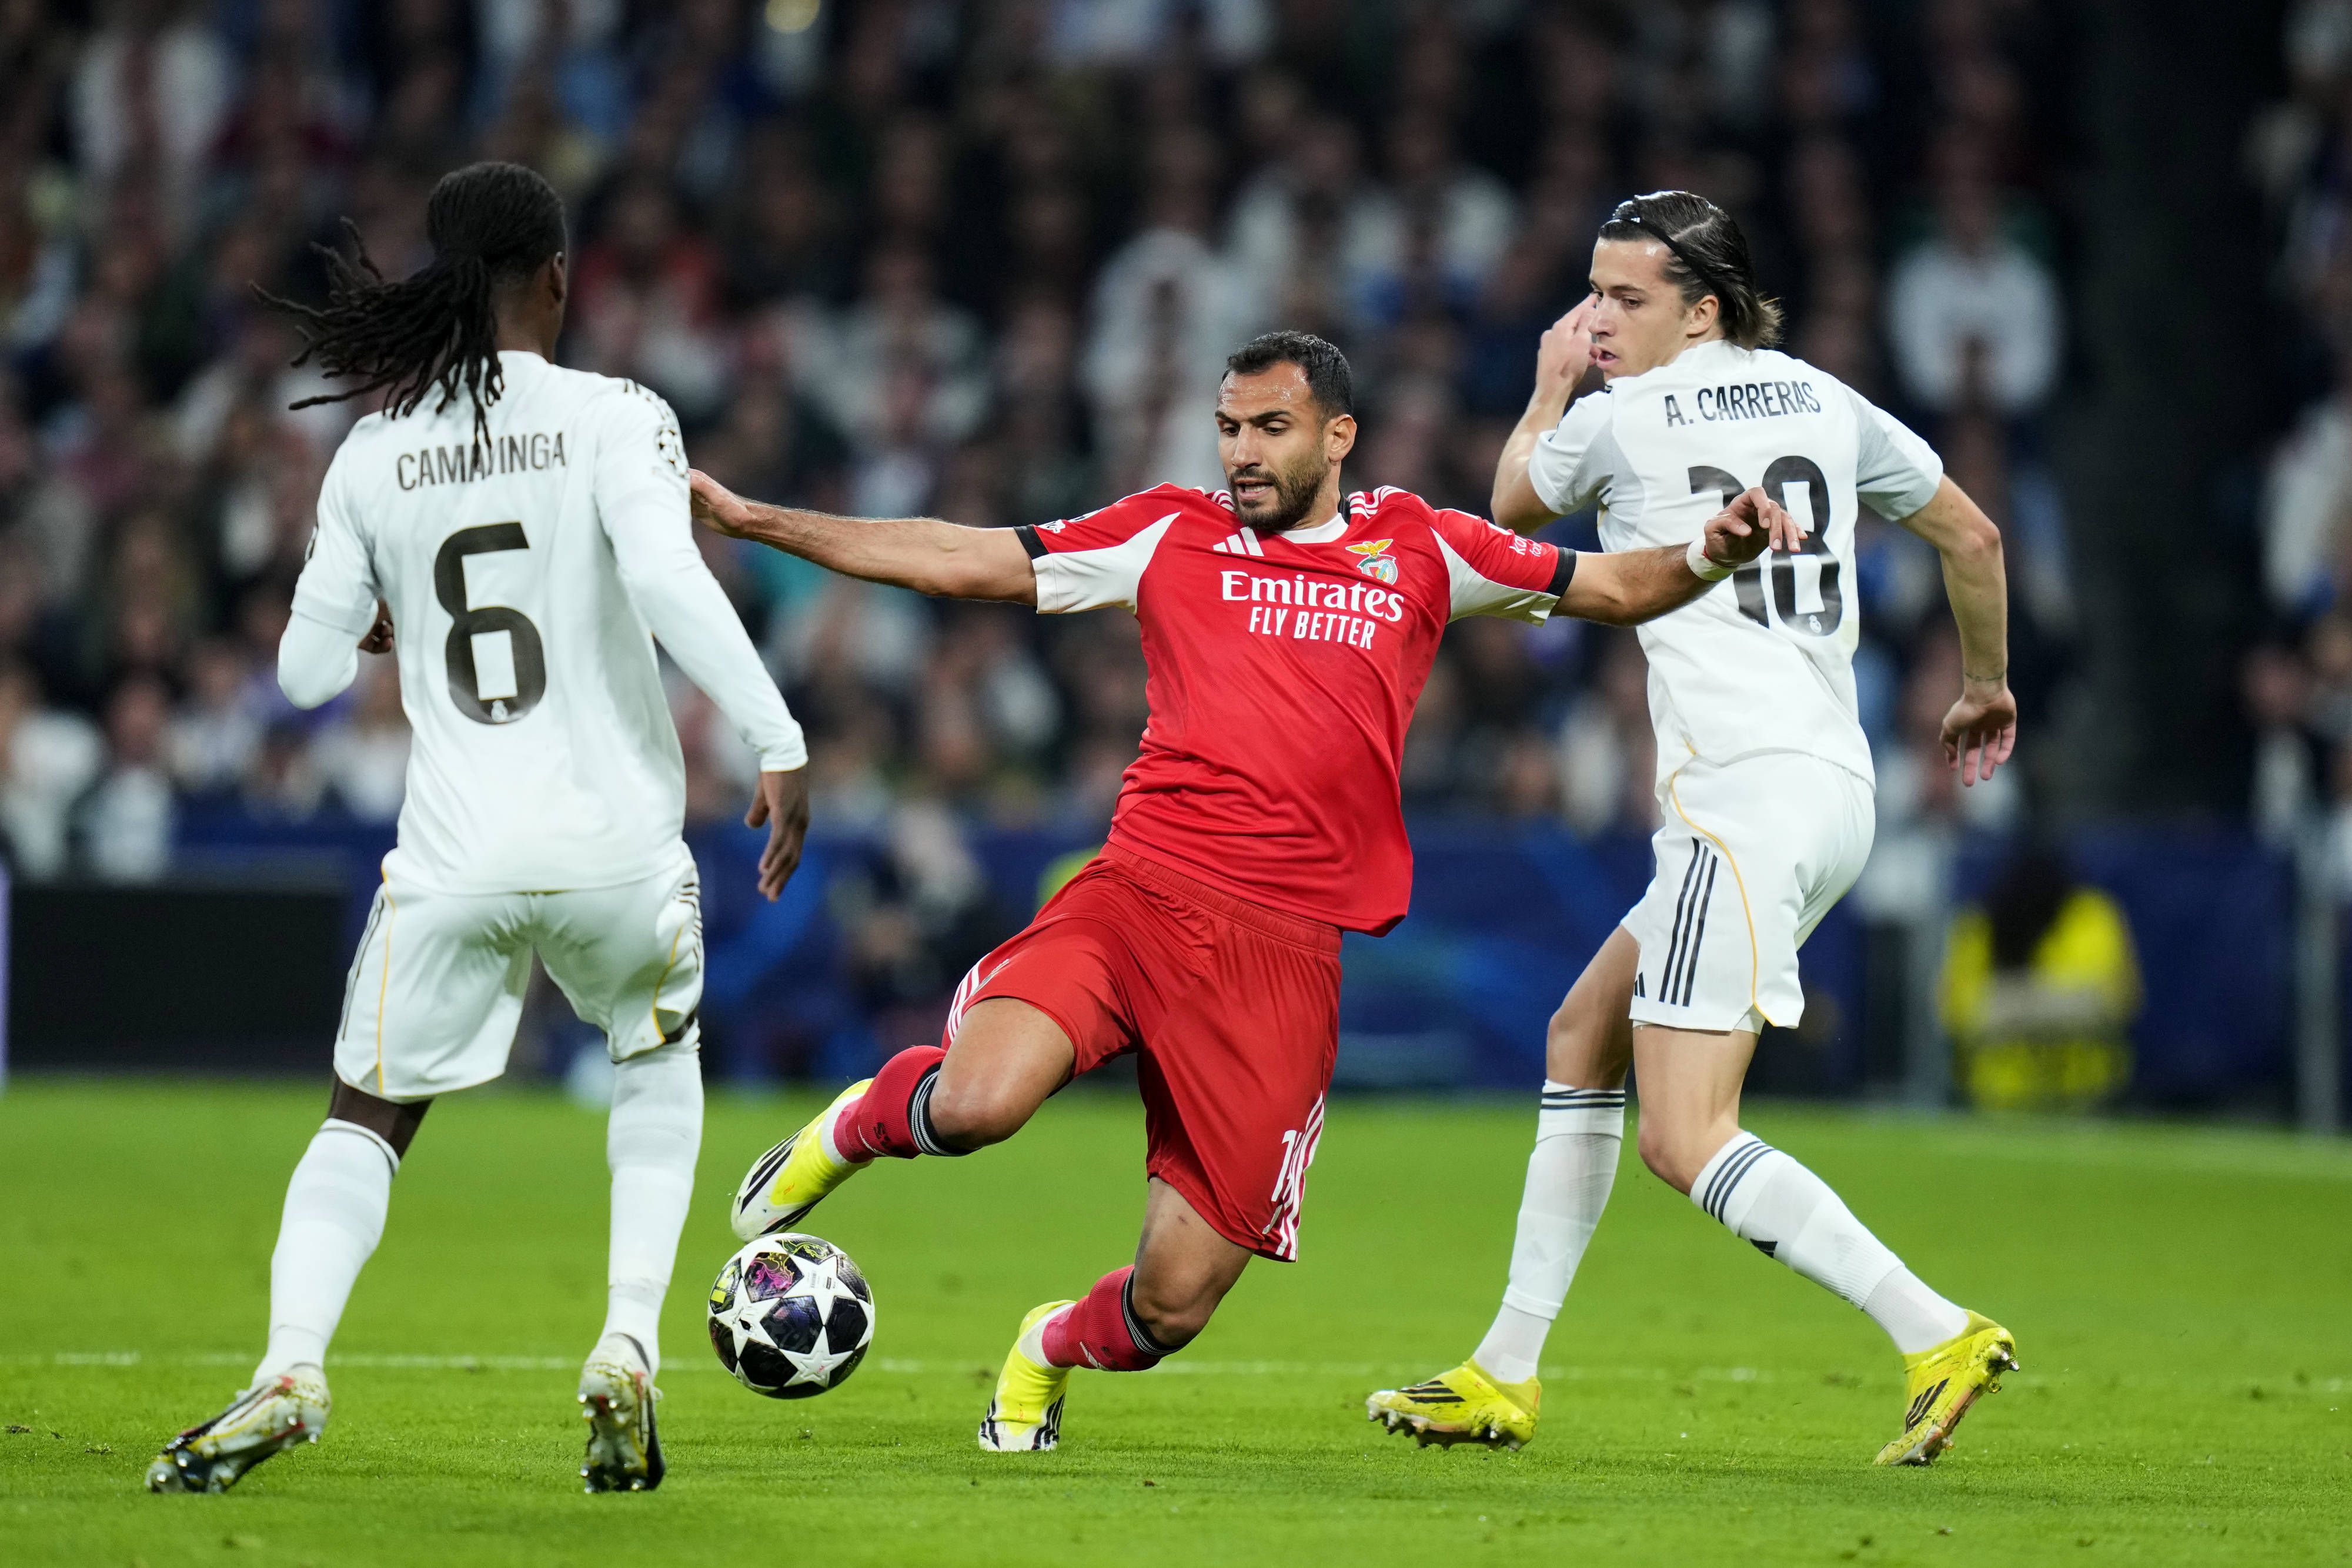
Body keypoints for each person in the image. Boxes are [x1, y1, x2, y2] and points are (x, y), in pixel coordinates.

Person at [691, 328, 1799, 1453]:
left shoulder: (1421, 546)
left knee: (1172, 1305)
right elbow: (959, 555)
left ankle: (1044, 1351)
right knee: (980, 1103)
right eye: (1229, 429)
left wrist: (1711, 549)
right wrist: (758, 520)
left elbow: (1612, 586)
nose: (1243, 453)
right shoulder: (1170, 531)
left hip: (1282, 961)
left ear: (1338, 434)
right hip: (1139, 895)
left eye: (1270, 429)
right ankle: (853, 1130)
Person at [146, 163, 812, 1496]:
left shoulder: (375, 454)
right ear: (560, 277)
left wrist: (380, 619)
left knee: (364, 1117)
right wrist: (776, 736)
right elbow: (671, 581)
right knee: (652, 1062)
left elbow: (300, 680)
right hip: (617, 847)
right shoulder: (618, 414)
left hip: (454, 857)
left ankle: (289, 1363)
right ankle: (625, 1340)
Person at [1367, 192, 2020, 1466]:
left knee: (1683, 1132)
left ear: (1700, 307)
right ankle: (1502, 1367)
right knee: (1579, 1029)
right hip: (1831, 785)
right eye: (1589, 294)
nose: (1596, 320)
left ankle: (1933, 1327)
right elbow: (1971, 532)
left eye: (1624, 298)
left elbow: (1506, 512)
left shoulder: (1617, 417)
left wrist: (1548, 388)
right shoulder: (1824, 399)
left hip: (1734, 801)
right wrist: (1982, 682)